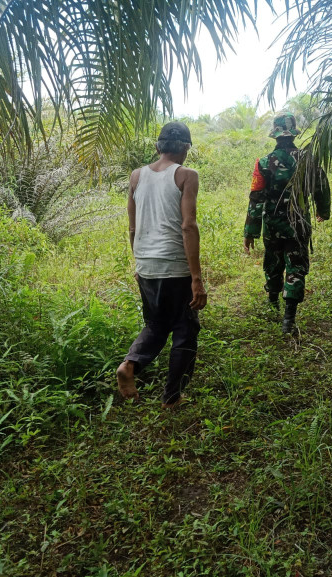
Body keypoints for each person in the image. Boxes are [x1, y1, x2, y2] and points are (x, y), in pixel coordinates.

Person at [116, 121, 207, 408]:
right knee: (185, 328)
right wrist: (196, 278)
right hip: (174, 265)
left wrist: (140, 262)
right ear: (186, 149)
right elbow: (188, 226)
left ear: (158, 147)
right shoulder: (186, 175)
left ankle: (130, 364)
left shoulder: (136, 176)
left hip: (146, 263)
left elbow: (132, 228)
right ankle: (172, 397)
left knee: (156, 323)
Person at [243, 111, 331, 334]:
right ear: (293, 135)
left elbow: (256, 198)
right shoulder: (308, 160)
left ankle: (272, 301)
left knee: (273, 262)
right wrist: (323, 211)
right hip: (299, 223)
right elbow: (322, 187)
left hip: (272, 223)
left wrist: (250, 231)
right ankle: (288, 320)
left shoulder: (264, 162)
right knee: (296, 266)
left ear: (275, 135)